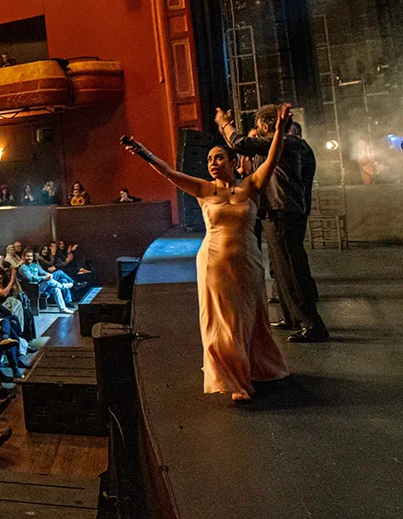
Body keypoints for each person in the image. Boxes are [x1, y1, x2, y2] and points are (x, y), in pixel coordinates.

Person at [124, 105, 292, 401]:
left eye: (218, 158)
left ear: (233, 160)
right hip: (214, 263)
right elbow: (169, 173)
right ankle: (233, 382)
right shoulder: (204, 190)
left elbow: (273, 158)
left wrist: (279, 131)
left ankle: (254, 367)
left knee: (251, 317)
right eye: (209, 160)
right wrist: (142, 152)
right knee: (221, 321)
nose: (212, 163)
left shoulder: (250, 187)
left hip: (248, 262)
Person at [217, 105, 329, 343]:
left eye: (258, 128)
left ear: (267, 126)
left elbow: (239, 142)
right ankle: (292, 317)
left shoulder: (285, 143)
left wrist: (224, 123)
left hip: (283, 211)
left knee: (290, 269)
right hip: (280, 210)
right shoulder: (292, 145)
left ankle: (312, 324)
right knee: (280, 269)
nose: (257, 133)